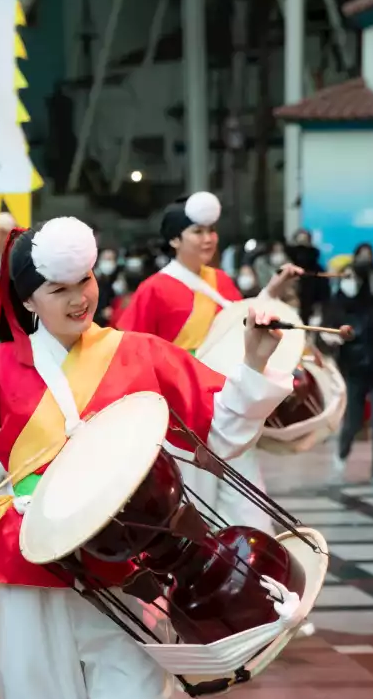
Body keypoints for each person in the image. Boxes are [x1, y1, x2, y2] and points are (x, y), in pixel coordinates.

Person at [0, 216, 295, 699]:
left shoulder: (140, 354)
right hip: (29, 567)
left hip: (127, 566)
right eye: (58, 290)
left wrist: (255, 360)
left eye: (84, 281)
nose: (78, 298)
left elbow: (221, 432)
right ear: (29, 301)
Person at [116, 191, 299, 532]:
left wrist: (271, 293)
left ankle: (254, 568)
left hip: (228, 402)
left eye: (211, 230)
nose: (208, 238)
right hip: (181, 415)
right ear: (174, 239)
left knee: (247, 507)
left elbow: (239, 333)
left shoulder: (223, 281)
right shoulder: (153, 290)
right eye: (197, 231)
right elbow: (128, 352)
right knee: (194, 512)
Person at [322, 263, 373, 485]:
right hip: (352, 371)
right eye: (345, 277)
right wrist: (330, 341)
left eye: (353, 277)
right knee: (353, 421)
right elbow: (323, 336)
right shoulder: (335, 307)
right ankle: (342, 453)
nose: (349, 282)